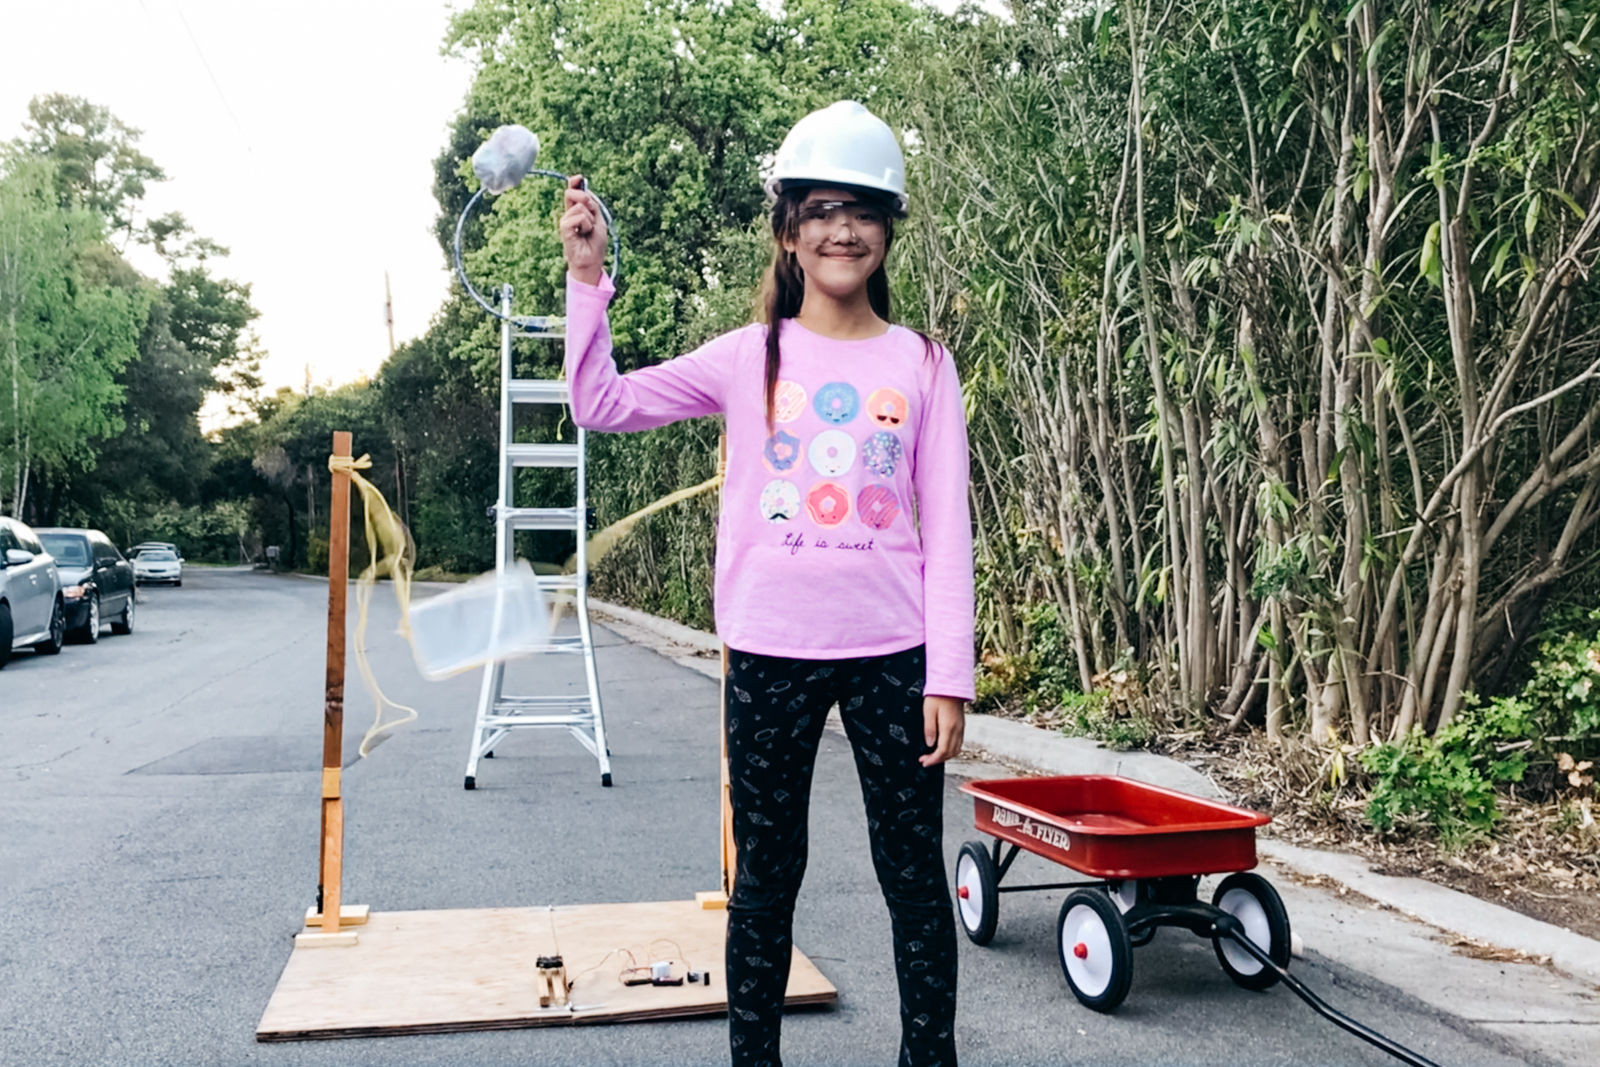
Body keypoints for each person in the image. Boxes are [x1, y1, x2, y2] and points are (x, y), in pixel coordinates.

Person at [560, 100, 974, 1067]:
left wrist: (947, 673)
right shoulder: (750, 355)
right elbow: (601, 401)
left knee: (911, 875)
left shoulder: (922, 363)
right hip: (771, 652)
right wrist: (587, 275)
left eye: (865, 210)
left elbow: (948, 525)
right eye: (821, 208)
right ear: (788, 230)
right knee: (766, 877)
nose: (843, 227)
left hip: (894, 657)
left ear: (886, 230)